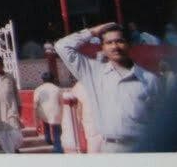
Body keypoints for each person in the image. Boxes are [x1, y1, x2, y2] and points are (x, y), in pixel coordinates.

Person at [55, 22, 162, 152]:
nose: (115, 47)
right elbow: (61, 46)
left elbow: (160, 118)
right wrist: (93, 31)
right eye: (109, 43)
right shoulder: (93, 73)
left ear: (130, 44)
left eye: (120, 41)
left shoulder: (149, 79)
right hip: (110, 148)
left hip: (142, 148)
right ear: (103, 48)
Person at [33, 72, 63, 153]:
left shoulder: (38, 89)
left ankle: (48, 139)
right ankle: (58, 148)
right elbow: (61, 103)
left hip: (43, 113)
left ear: (42, 80)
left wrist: (36, 121)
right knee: (57, 131)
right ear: (53, 79)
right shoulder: (57, 89)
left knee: (46, 125)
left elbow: (35, 106)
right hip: (55, 112)